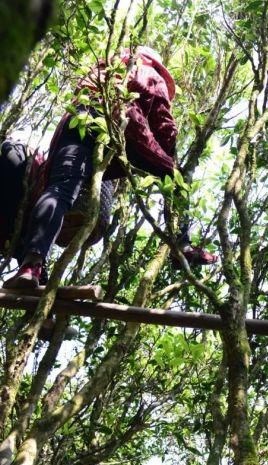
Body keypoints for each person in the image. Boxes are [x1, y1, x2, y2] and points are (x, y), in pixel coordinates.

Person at [2, 47, 214, 289]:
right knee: (175, 179)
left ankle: (32, 264)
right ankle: (182, 245)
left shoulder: (102, 69)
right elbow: (164, 126)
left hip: (77, 120)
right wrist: (167, 157)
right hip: (122, 121)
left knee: (60, 189)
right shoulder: (149, 72)